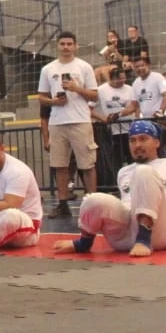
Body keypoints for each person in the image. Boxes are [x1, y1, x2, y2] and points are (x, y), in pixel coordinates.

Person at [53, 121, 166, 257]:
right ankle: (84, 243)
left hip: (157, 236)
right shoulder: (124, 171)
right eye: (133, 141)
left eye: (143, 139)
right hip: (122, 238)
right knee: (93, 198)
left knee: (144, 172)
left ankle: (144, 238)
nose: (137, 145)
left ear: (157, 142)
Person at [37, 31, 98, 218]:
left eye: (69, 44)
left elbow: (95, 95)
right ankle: (63, 204)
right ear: (58, 46)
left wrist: (76, 88)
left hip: (80, 120)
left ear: (75, 46)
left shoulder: (84, 67)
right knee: (59, 165)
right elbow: (41, 97)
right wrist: (54, 102)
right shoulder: (48, 69)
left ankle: (93, 202)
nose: (66, 47)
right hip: (57, 122)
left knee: (87, 164)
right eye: (62, 43)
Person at [130, 57, 166, 121]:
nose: (140, 68)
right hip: (144, 121)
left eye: (142, 65)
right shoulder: (135, 83)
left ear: (148, 65)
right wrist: (119, 114)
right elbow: (135, 105)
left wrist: (160, 111)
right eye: (137, 67)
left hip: (158, 119)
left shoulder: (158, 77)